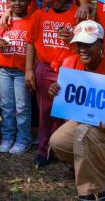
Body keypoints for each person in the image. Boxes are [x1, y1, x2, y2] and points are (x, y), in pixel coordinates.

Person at [25, 0, 79, 167]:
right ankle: (44, 150)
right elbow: (30, 43)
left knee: (69, 113)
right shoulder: (39, 15)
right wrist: (29, 70)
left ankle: (69, 153)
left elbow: (86, 47)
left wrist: (71, 40)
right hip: (44, 69)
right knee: (45, 112)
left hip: (71, 70)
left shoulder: (77, 13)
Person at [48, 20, 105, 201]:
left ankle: (92, 193)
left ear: (101, 43)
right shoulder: (70, 62)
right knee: (58, 141)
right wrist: (55, 92)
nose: (82, 49)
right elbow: (69, 105)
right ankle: (93, 169)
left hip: (99, 124)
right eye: (79, 44)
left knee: (83, 133)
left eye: (88, 44)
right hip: (85, 121)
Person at [0, 0, 33, 154]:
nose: (17, 3)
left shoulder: (32, 20)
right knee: (6, 105)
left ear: (29, 1)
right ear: (7, 2)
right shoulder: (3, 21)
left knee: (22, 107)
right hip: (4, 70)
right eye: (13, 0)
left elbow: (34, 46)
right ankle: (7, 137)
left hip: (22, 70)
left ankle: (23, 139)